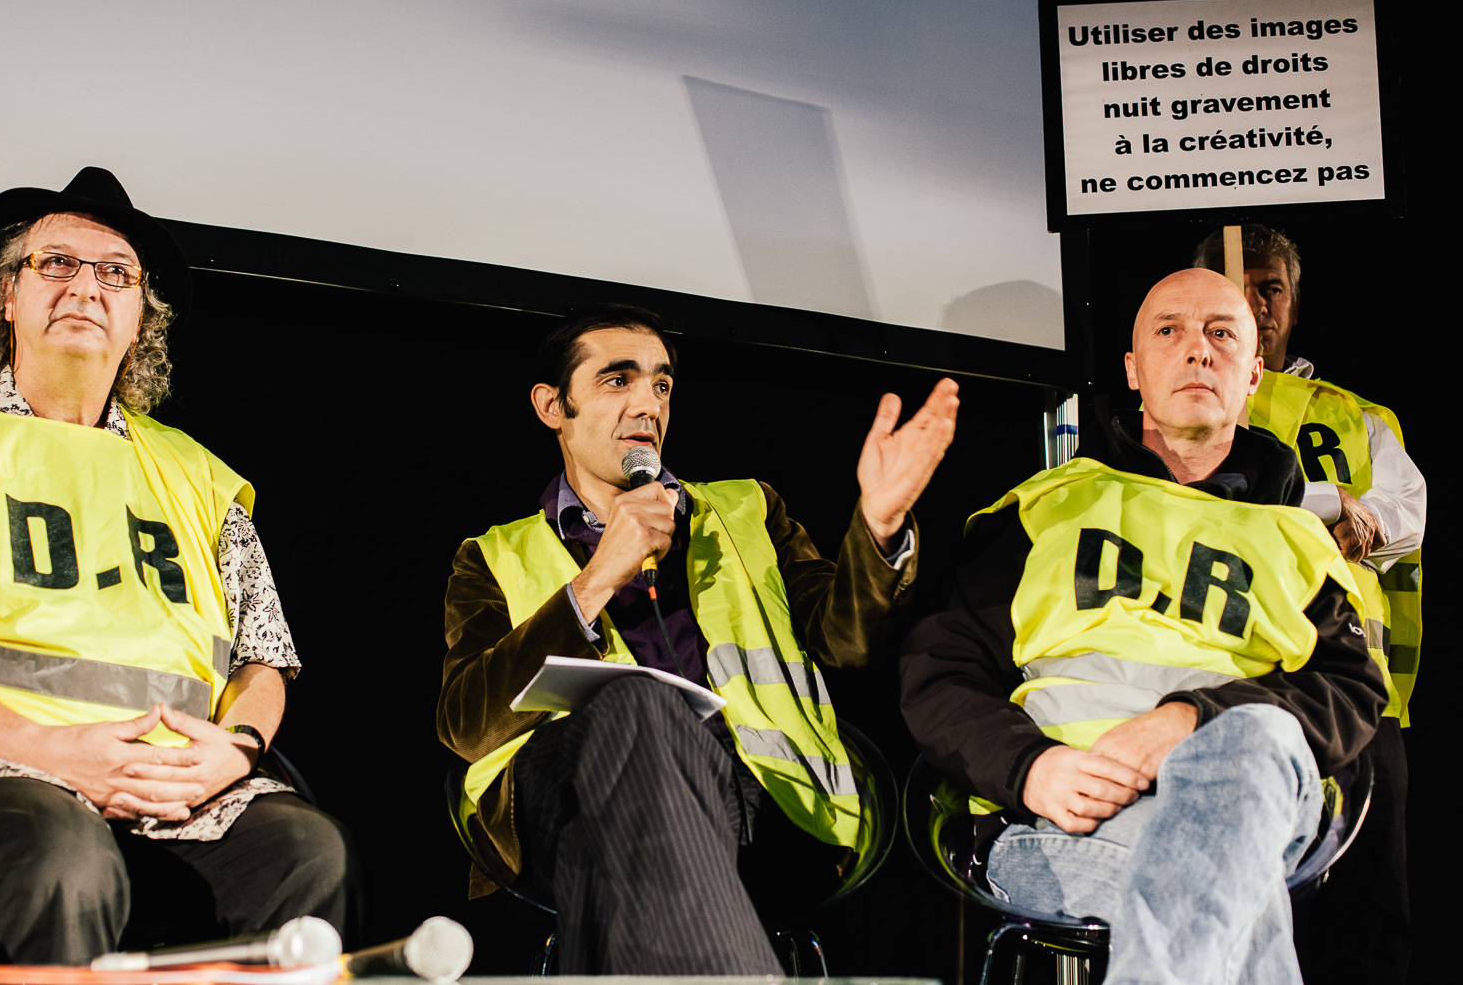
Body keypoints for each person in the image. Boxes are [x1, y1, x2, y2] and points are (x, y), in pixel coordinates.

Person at [0, 168, 350, 965]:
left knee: (308, 852)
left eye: (114, 272)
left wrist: (233, 751)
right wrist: (49, 750)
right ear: (9, 297)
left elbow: (264, 661)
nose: (85, 286)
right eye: (55, 263)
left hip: (173, 791)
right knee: (64, 858)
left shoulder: (201, 479)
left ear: (138, 319)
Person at [439, 303, 958, 974]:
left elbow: (849, 641)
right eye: (617, 381)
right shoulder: (491, 555)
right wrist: (595, 581)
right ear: (552, 406)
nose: (647, 403)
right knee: (636, 708)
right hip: (560, 800)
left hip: (762, 802)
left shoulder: (748, 510)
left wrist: (880, 525)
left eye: (661, 383)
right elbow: (465, 725)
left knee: (618, 859)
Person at [900, 269, 1386, 984]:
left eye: (1222, 332)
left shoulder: (1298, 540)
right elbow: (939, 673)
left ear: (1255, 372)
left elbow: (1350, 692)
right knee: (1235, 906)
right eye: (1169, 331)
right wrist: (1029, 765)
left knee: (1258, 738)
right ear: (1133, 369)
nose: (1198, 350)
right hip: (1063, 825)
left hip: (1243, 813)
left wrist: (1192, 721)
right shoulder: (1048, 510)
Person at [1194, 224, 1422, 983]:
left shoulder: (1356, 413)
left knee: (1367, 907)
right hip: (1231, 683)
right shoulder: (1185, 401)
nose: (1257, 303)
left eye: (1273, 288)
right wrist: (1331, 502)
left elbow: (1406, 509)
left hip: (1356, 693)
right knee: (1247, 902)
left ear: (1294, 302)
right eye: (1243, 285)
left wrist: (1359, 513)